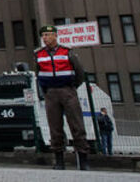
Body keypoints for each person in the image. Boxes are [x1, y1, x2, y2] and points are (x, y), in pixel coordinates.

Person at [35, 24, 89, 170]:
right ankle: (59, 160)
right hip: (51, 93)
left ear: (55, 36)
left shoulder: (67, 52)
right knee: (55, 127)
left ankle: (83, 159)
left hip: (67, 91)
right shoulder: (39, 54)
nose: (45, 38)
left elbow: (80, 73)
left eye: (47, 35)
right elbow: (39, 75)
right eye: (43, 36)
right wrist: (45, 91)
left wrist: (72, 88)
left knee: (76, 124)